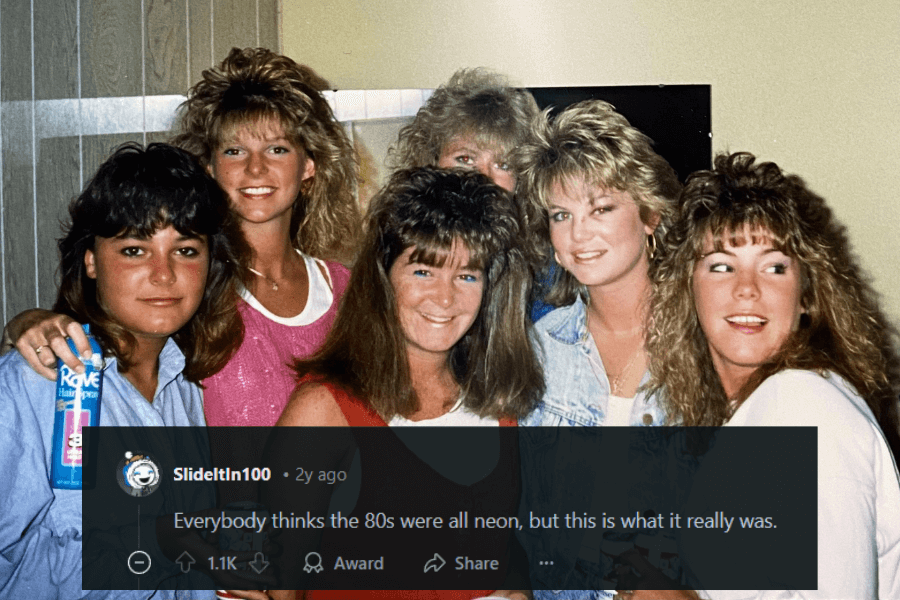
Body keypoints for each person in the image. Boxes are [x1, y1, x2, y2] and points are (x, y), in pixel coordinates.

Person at [3, 47, 361, 428]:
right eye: (235, 150)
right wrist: (25, 324)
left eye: (276, 149)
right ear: (209, 167)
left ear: (309, 165)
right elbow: (97, 331)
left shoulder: (347, 290)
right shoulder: (191, 285)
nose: (256, 168)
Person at [265, 167, 544, 600]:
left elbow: (501, 554)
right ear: (382, 276)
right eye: (423, 271)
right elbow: (281, 590)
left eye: (467, 275)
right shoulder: (323, 409)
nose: (445, 297)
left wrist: (515, 592)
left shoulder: (497, 403)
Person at [645, 152, 900, 599]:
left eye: (775, 267)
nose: (747, 288)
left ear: (806, 297)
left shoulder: (802, 404)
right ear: (689, 288)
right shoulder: (751, 412)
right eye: (721, 265)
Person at [0, 143, 245, 598]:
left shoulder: (186, 388)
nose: (164, 274)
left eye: (186, 250)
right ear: (91, 260)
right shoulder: (37, 379)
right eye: (135, 249)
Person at [512, 99, 683, 597]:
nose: (578, 234)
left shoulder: (709, 345)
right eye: (561, 214)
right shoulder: (539, 349)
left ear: (650, 214)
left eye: (601, 208)